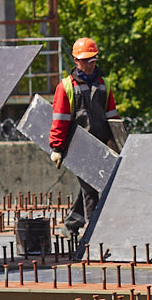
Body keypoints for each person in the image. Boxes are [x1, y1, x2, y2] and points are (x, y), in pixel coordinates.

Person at [50, 36, 120, 237]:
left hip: (100, 145)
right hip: (78, 146)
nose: (90, 64)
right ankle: (92, 231)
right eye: (85, 60)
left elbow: (112, 117)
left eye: (92, 60)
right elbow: (60, 120)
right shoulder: (66, 87)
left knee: (90, 186)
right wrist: (57, 148)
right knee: (89, 189)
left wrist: (116, 145)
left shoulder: (104, 85)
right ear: (76, 60)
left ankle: (71, 225)